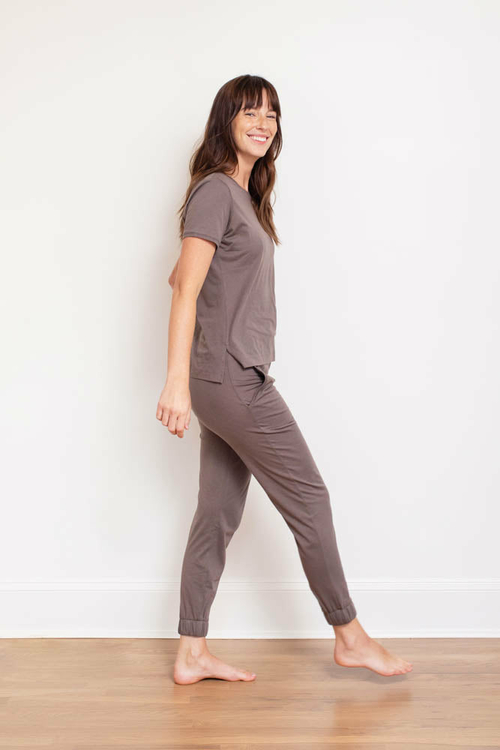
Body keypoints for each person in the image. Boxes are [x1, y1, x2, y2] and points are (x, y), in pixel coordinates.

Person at [156, 75, 413, 685]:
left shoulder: (242, 198)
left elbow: (181, 275)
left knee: (216, 513)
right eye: (249, 111)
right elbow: (185, 287)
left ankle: (191, 651)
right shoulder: (216, 191)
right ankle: (349, 635)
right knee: (310, 498)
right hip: (231, 379)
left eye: (271, 114)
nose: (262, 122)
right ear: (225, 121)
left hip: (225, 374)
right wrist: (176, 382)